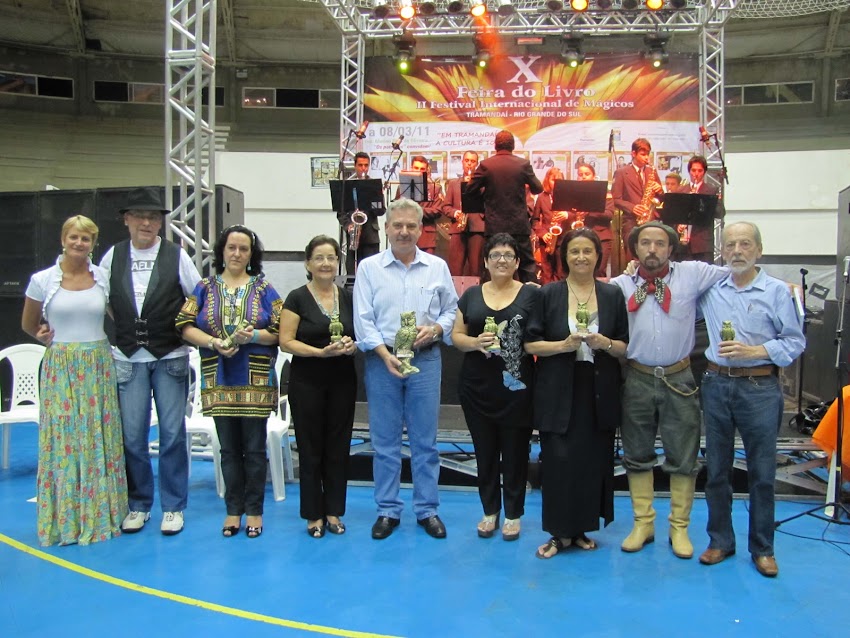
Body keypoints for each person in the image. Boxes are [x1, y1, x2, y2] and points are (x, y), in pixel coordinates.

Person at [609, 221, 726, 559]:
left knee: (684, 456)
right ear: (635, 250)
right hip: (637, 378)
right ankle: (643, 524)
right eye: (645, 243)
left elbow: (734, 271)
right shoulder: (620, 285)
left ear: (671, 249)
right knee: (636, 453)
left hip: (680, 378)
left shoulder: (692, 274)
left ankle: (679, 529)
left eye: (660, 243)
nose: (652, 250)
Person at [697, 222, 805, 577]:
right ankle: (720, 541)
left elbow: (794, 342)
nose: (737, 251)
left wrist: (755, 350)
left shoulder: (776, 292)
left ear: (759, 250)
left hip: (759, 388)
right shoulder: (711, 288)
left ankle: (763, 548)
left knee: (761, 472)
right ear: (722, 252)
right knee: (716, 470)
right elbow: (672, 289)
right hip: (716, 384)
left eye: (745, 244)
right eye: (730, 245)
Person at [353, 198, 458, 540]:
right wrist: (384, 354)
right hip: (381, 362)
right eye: (397, 225)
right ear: (386, 229)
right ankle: (387, 509)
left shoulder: (437, 267)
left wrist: (439, 329)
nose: (404, 231)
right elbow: (363, 320)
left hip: (425, 360)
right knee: (384, 442)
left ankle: (428, 510)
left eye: (411, 226)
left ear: (420, 230)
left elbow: (450, 311)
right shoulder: (369, 268)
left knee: (425, 442)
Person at [99, 186, 201, 536]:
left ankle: (173, 506)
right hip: (128, 358)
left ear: (161, 223)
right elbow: (105, 300)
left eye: (154, 217)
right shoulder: (112, 257)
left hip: (170, 356)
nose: (147, 222)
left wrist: (177, 328)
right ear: (126, 220)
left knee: (173, 434)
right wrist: (128, 325)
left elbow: (196, 297)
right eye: (140, 216)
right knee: (132, 436)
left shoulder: (177, 256)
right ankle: (139, 503)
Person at [22, 215, 128, 546]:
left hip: (97, 364)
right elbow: (29, 323)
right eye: (73, 237)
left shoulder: (104, 278)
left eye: (85, 239)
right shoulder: (42, 280)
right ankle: (65, 517)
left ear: (93, 244)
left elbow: (117, 315)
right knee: (64, 438)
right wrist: (43, 336)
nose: (79, 243)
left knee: (98, 436)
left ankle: (100, 513)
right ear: (63, 239)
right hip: (61, 365)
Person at [525, 228, 629, 558]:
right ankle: (559, 532)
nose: (581, 257)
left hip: (598, 389)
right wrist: (562, 346)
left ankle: (582, 528)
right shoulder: (548, 294)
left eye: (588, 251)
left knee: (591, 462)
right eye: (574, 251)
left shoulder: (612, 295)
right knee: (558, 461)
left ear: (599, 256)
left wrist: (606, 344)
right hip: (558, 388)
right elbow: (530, 343)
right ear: (564, 256)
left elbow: (624, 346)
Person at [176, 225, 282, 539]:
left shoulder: (264, 289)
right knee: (229, 450)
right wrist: (212, 342)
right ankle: (232, 510)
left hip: (255, 380)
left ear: (252, 254)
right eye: (231, 248)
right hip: (219, 378)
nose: (237, 254)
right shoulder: (204, 287)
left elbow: (283, 329)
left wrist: (256, 336)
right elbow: (183, 325)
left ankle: (255, 511)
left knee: (254, 448)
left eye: (244, 249)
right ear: (222, 250)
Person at [451, 234, 537, 541]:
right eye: (495, 254)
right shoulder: (471, 295)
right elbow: (456, 336)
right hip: (476, 387)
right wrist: (475, 343)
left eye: (508, 255)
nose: (502, 259)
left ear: (516, 262)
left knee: (515, 452)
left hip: (516, 387)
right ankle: (490, 511)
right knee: (484, 452)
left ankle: (513, 513)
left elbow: (539, 337)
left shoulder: (531, 294)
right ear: (486, 261)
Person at [280, 236, 358, 538]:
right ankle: (313, 514)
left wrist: (351, 346)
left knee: (338, 447)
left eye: (331, 257)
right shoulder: (297, 297)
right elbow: (286, 341)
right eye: (319, 258)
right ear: (308, 263)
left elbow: (355, 333)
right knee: (311, 448)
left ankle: (333, 511)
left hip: (342, 380)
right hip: (307, 380)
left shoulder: (345, 295)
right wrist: (319, 353)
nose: (326, 263)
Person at [468, 129, 544, 283]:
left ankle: (489, 301)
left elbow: (470, 190)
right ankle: (532, 300)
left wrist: (485, 198)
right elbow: (538, 188)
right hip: (519, 225)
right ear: (513, 146)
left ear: (495, 146)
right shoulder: (523, 164)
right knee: (527, 266)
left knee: (491, 264)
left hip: (494, 225)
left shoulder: (486, 165)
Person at [611, 137, 659, 262]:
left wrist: (660, 190)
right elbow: (616, 199)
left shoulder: (651, 171)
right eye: (643, 154)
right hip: (632, 222)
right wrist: (633, 207)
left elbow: (660, 198)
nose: (646, 158)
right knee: (634, 258)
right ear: (633, 153)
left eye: (648, 154)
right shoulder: (621, 172)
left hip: (650, 221)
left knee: (650, 257)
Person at [337, 151, 385, 275]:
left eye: (366, 165)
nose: (363, 168)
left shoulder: (374, 186)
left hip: (371, 236)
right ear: (355, 166)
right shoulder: (347, 186)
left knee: (372, 271)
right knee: (352, 272)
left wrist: (373, 200)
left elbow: (381, 211)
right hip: (353, 236)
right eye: (360, 165)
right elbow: (341, 212)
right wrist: (348, 226)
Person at [442, 151, 485, 277]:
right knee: (455, 268)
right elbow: (445, 206)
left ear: (476, 164)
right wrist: (455, 213)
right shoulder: (453, 184)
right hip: (458, 228)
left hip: (477, 228)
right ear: (462, 162)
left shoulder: (483, 185)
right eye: (467, 161)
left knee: (476, 268)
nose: (469, 164)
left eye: (472, 161)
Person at [676, 155, 726, 263]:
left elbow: (720, 213)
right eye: (693, 170)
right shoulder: (681, 190)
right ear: (689, 171)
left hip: (703, 245)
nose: (696, 174)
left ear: (704, 172)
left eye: (700, 170)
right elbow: (674, 216)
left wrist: (710, 203)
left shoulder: (711, 190)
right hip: (683, 245)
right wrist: (678, 226)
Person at [573, 162, 615, 279]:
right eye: (580, 174)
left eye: (587, 174)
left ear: (593, 176)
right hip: (579, 237)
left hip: (601, 237)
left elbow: (609, 214)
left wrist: (588, 211)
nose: (583, 176)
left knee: (599, 271)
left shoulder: (605, 193)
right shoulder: (573, 194)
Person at [532, 167, 567, 285]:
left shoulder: (567, 196)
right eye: (553, 180)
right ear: (547, 180)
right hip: (547, 241)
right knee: (547, 272)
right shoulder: (542, 197)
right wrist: (542, 234)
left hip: (563, 240)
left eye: (559, 180)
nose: (556, 183)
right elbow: (535, 220)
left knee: (561, 272)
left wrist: (567, 214)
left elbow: (576, 213)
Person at [405, 155, 445, 255]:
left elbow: (437, 211)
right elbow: (398, 209)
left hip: (427, 237)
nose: (419, 171)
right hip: (406, 236)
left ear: (427, 170)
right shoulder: (403, 187)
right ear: (411, 168)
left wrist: (416, 210)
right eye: (416, 168)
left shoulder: (435, 188)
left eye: (422, 169)